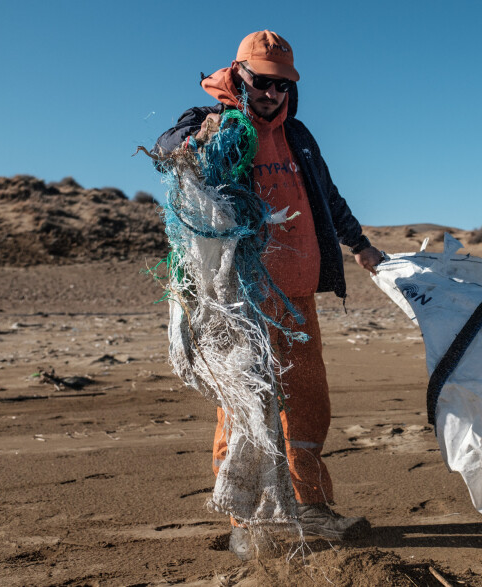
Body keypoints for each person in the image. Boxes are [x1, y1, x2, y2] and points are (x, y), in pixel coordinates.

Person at [154, 30, 383, 559]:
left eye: (283, 85)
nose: (273, 94)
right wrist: (194, 140)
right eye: (263, 82)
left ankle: (311, 507)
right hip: (242, 302)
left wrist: (361, 246)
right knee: (245, 408)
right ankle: (248, 520)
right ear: (239, 74)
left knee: (308, 406)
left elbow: (327, 196)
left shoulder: (298, 136)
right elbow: (169, 148)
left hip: (297, 298)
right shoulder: (211, 122)